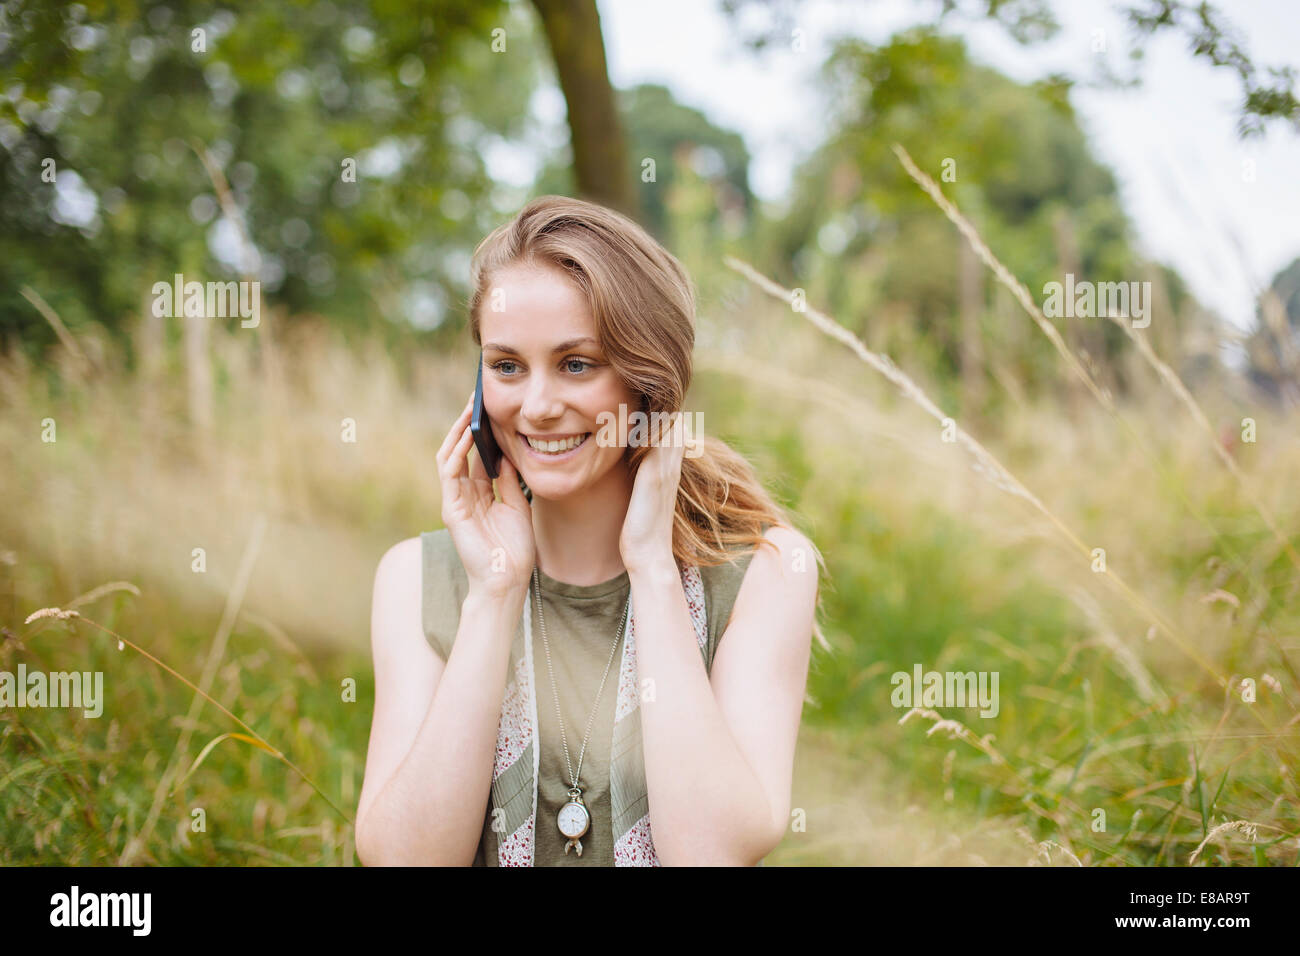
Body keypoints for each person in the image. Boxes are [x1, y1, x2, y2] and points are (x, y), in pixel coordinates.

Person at [356, 195, 821, 866]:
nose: (538, 407)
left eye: (577, 364)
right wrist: (494, 591)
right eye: (507, 366)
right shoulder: (415, 578)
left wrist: (653, 570)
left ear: (649, 382)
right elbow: (406, 861)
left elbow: (711, 851)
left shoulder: (765, 572)